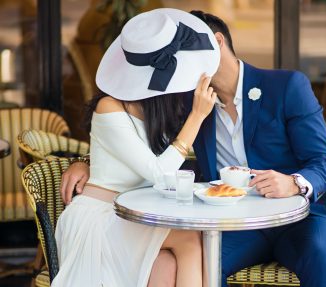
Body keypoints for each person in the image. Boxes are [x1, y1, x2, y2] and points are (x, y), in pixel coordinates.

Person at [62, 10, 326, 287]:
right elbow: (144, 149)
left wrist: (293, 183)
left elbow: (325, 163)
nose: (178, 66)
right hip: (230, 223)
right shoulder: (188, 103)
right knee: (203, 256)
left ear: (217, 43)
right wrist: (86, 162)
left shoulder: (287, 86)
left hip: (298, 219)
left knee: (320, 252)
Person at [52, 8, 220, 287]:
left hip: (135, 216)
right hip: (100, 219)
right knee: (191, 238)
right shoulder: (109, 108)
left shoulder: (158, 110)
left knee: (166, 266)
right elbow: (158, 172)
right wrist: (197, 117)